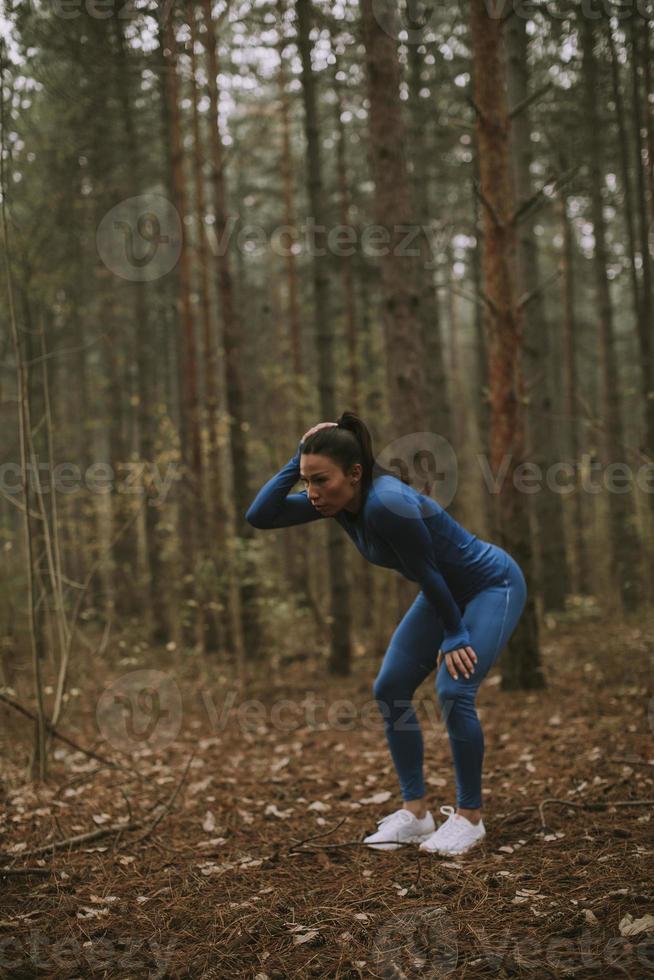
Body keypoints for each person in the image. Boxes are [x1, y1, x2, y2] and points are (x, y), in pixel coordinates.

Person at [245, 411, 527, 856]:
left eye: (321, 480)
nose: (313, 494)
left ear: (355, 473)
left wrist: (455, 634)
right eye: (306, 482)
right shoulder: (338, 502)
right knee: (391, 688)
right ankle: (416, 816)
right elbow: (260, 516)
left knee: (453, 690)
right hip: (443, 591)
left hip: (491, 584)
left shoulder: (384, 504)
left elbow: (429, 571)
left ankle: (470, 818)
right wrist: (297, 456)